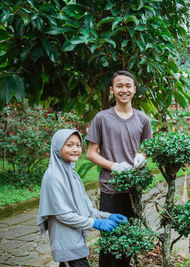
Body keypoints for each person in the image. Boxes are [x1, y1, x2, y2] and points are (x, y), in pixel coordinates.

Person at [85, 70, 152, 267]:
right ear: (112, 90)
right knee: (110, 242)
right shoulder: (101, 118)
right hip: (110, 189)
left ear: (134, 90)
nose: (124, 89)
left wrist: (143, 156)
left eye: (128, 86)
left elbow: (148, 149)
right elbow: (91, 153)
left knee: (129, 241)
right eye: (119, 86)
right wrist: (113, 165)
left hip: (133, 190)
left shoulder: (143, 119)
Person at [38, 129, 127, 267]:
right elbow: (63, 215)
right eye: (69, 145)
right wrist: (95, 223)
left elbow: (87, 209)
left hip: (76, 241)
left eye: (78, 145)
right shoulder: (53, 177)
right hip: (67, 244)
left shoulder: (73, 175)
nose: (75, 149)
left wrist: (108, 216)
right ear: (57, 147)